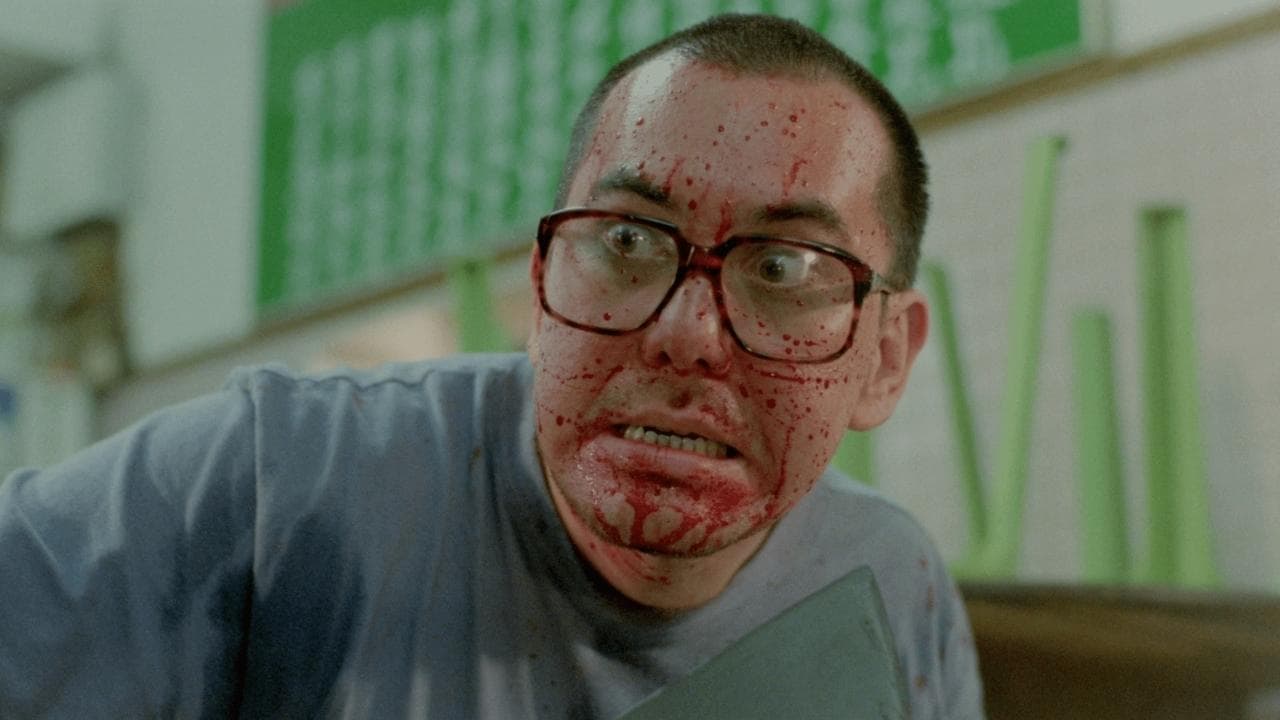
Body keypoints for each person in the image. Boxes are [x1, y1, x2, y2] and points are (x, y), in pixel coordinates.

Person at [0, 13, 985, 720]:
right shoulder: (280, 480)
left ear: (884, 358)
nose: (687, 333)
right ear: (544, 284)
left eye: (783, 269)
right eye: (628, 241)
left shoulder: (887, 585)